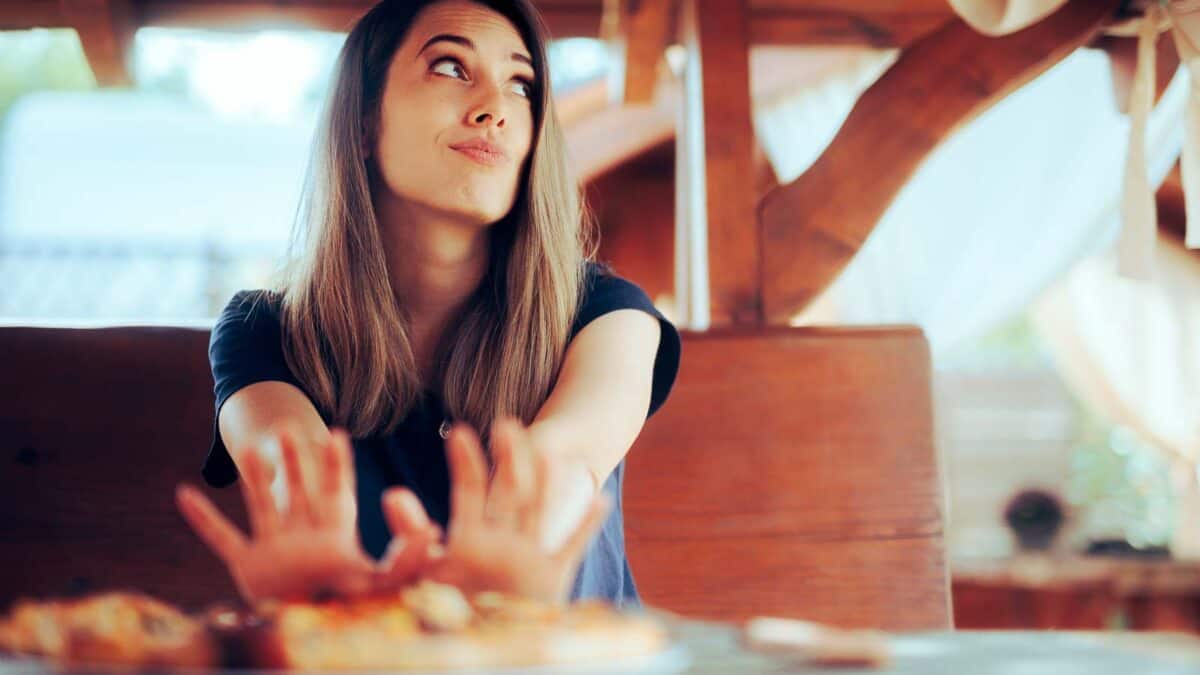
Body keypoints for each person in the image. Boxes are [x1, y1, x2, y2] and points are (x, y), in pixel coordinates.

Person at [174, 0, 680, 608]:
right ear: (362, 122)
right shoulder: (263, 332)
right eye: (450, 68)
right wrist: (328, 577)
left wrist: (509, 556)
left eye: (521, 84)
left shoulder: (608, 315)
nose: (495, 109)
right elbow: (294, 476)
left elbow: (564, 464)